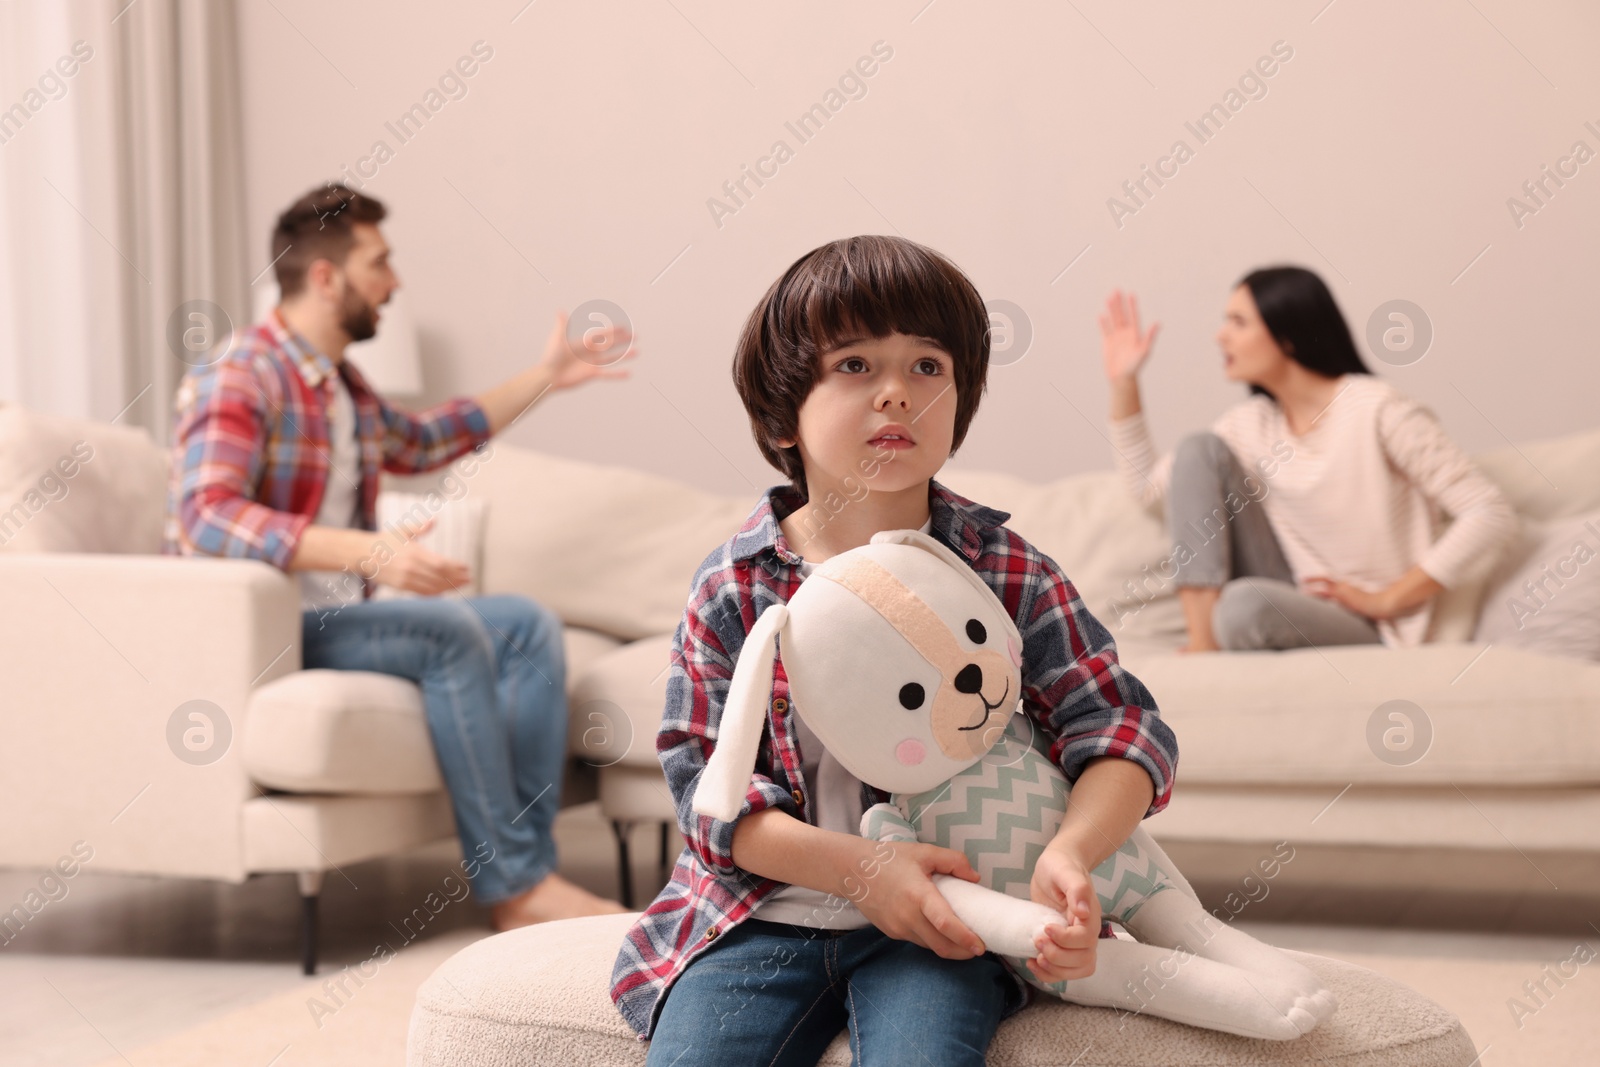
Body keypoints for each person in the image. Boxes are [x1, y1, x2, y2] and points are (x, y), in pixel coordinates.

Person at [611, 235, 1179, 1064]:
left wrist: (1071, 852)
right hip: (759, 914)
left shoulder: (1003, 567)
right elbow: (711, 798)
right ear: (783, 411)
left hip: (952, 920)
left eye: (926, 367)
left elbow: (1119, 729)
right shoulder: (736, 586)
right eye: (853, 366)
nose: (896, 395)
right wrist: (866, 871)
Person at [165, 182, 633, 928]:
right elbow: (205, 516)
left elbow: (427, 438)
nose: (395, 282)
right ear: (325, 277)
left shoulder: (342, 388)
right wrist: (366, 551)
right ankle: (513, 886)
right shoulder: (242, 374)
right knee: (445, 631)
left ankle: (528, 870)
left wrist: (546, 375)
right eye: (379, 262)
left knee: (528, 624)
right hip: (270, 633)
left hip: (337, 617)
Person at [1099, 266, 1517, 652]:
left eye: (1238, 322)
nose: (1220, 336)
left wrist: (1387, 599)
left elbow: (1489, 512)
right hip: (1289, 595)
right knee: (1198, 449)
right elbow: (1148, 492)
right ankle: (1203, 648)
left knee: (1243, 607)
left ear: (1288, 335)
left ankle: (1213, 649)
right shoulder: (1249, 426)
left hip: (1366, 625)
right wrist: (1124, 383)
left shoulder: (1378, 409)